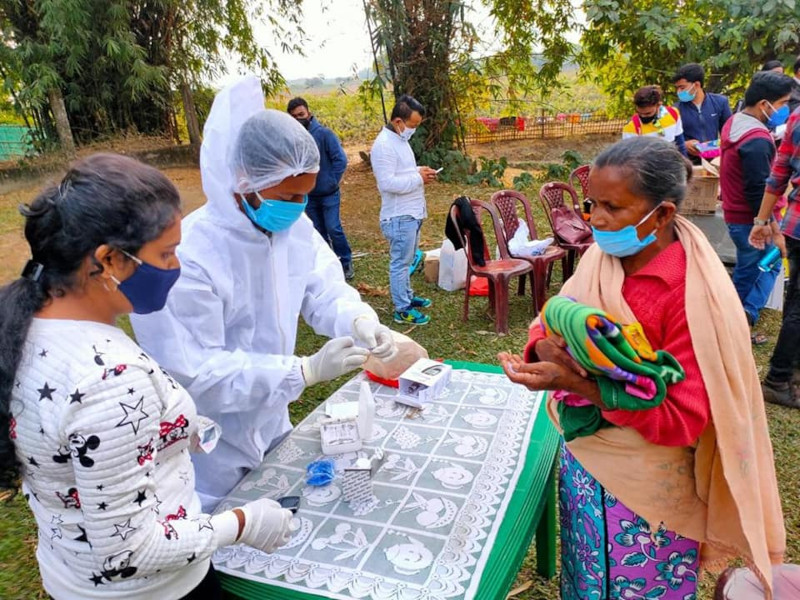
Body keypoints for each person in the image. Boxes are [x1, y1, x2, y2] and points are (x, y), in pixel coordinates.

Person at [500, 137, 786, 599]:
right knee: (587, 580)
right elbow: (553, 316)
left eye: (613, 207)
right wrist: (542, 351)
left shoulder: (691, 296)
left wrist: (579, 384)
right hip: (585, 470)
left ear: (664, 214)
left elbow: (680, 419)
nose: (595, 219)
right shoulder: (602, 257)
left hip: (646, 499)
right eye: (592, 203)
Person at [0, 154, 293, 599]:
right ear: (108, 260)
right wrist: (241, 523)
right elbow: (128, 554)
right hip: (154, 589)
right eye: (167, 254)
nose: (175, 267)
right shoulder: (110, 378)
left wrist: (177, 428)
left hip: (70, 573)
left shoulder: (30, 325)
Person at [130, 77, 397, 512]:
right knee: (228, 540)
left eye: (304, 196)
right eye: (288, 195)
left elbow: (323, 286)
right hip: (211, 443)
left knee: (282, 514)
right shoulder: (192, 255)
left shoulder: (292, 228)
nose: (297, 207)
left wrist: (357, 319)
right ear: (244, 182)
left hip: (273, 419)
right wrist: (303, 372)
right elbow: (196, 373)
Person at [720, 71, 793, 344]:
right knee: (752, 270)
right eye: (783, 103)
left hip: (736, 212)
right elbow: (756, 188)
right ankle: (731, 326)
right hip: (748, 218)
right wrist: (770, 226)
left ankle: (744, 315)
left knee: (766, 265)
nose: (785, 110)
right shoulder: (756, 140)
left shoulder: (735, 122)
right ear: (765, 104)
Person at [749, 103, 800, 407]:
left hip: (794, 224)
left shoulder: (796, 115)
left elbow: (778, 174)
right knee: (797, 306)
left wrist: (762, 221)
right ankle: (779, 378)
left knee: (795, 299)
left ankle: (789, 372)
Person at [371, 94, 437, 325]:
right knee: (400, 263)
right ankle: (402, 308)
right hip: (399, 215)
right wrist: (418, 178)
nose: (414, 130)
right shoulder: (383, 146)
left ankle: (408, 296)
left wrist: (420, 170)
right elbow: (387, 183)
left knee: (408, 259)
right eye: (413, 125)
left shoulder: (400, 141)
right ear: (399, 121)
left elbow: (402, 171)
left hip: (412, 212)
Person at [287, 97, 354, 280]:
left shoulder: (324, 134)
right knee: (318, 232)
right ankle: (328, 264)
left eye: (301, 114)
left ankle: (345, 260)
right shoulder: (293, 140)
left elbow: (340, 160)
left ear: (308, 113)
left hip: (329, 193)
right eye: (293, 117)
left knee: (334, 228)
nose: (298, 119)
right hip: (308, 196)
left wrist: (332, 181)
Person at [672, 63, 732, 162]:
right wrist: (684, 144)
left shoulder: (720, 102)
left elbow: (730, 136)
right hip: (688, 164)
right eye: (677, 88)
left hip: (715, 162)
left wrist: (712, 146)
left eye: (682, 88)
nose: (678, 92)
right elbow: (669, 141)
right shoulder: (675, 110)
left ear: (696, 85)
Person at [621, 85, 688, 155]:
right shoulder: (631, 126)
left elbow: (680, 144)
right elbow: (629, 156)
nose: (643, 116)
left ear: (658, 105)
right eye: (639, 113)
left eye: (648, 113)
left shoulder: (673, 114)